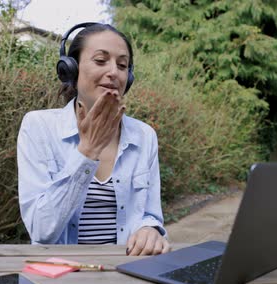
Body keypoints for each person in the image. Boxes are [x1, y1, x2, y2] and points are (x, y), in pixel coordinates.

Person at [17, 22, 171, 256]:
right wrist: (86, 153)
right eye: (100, 61)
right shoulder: (38, 128)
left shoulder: (144, 136)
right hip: (61, 275)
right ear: (71, 69)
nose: (113, 72)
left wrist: (150, 229)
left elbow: (150, 215)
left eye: (122, 65)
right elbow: (41, 230)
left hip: (126, 272)